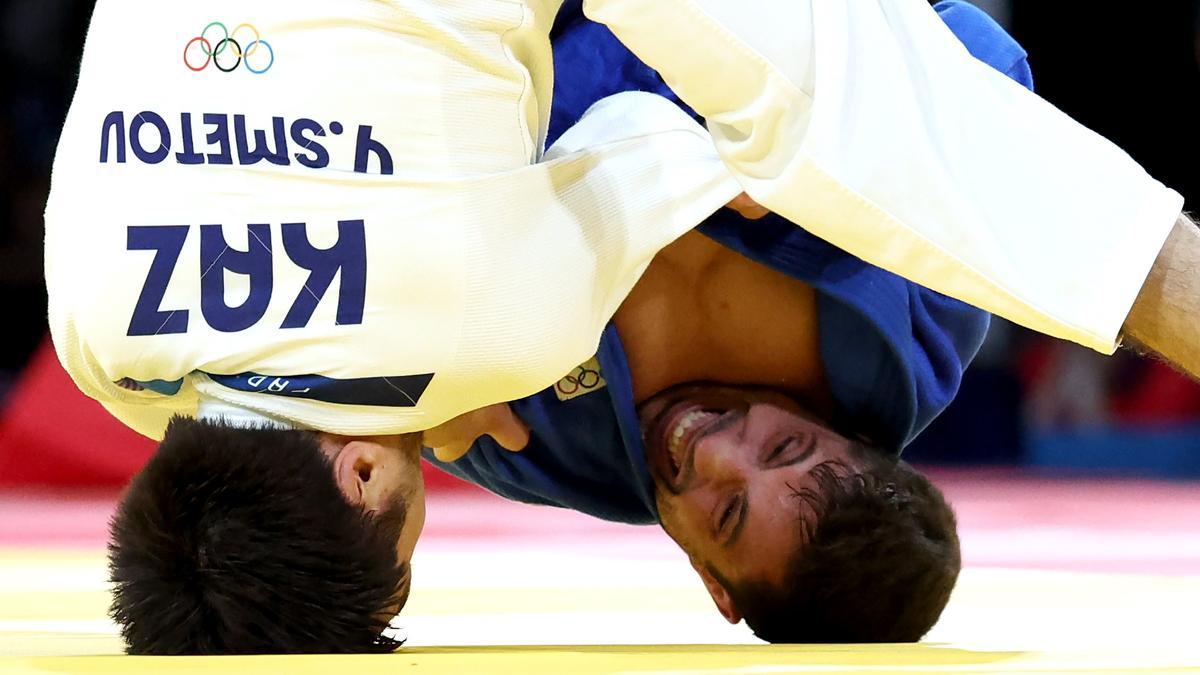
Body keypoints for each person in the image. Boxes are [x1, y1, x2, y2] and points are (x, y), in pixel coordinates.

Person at [424, 0, 1018, 644]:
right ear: (856, 440)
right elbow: (978, 51)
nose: (714, 449)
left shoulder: (545, 451)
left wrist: (399, 385)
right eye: (784, 446)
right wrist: (838, 147)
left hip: (477, 36)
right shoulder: (919, 323)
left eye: (729, 513)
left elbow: (334, 298)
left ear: (715, 584)